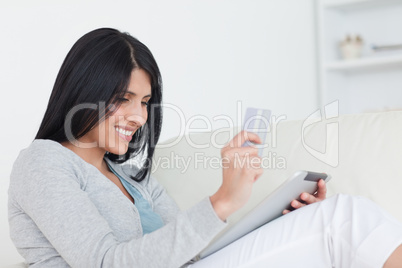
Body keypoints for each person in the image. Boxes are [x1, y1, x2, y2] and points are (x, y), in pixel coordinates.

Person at [8, 28, 402, 268]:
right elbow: (105, 262)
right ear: (84, 91)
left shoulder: (134, 180)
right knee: (345, 218)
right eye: (123, 98)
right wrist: (221, 202)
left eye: (144, 102)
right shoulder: (44, 161)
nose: (139, 116)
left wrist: (284, 224)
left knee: (334, 227)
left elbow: (187, 256)